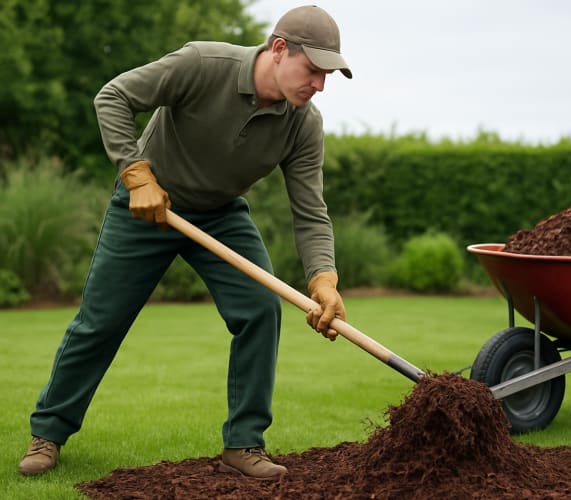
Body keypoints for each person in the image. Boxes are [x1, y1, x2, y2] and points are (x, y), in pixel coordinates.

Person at [18, 5, 350, 481]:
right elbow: (112, 97)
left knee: (260, 310)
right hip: (148, 206)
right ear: (279, 50)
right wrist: (136, 176)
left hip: (220, 215)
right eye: (313, 70)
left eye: (327, 76)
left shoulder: (302, 125)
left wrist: (324, 279)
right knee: (100, 321)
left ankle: (244, 444)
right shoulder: (202, 65)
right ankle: (48, 432)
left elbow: (310, 211)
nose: (319, 85)